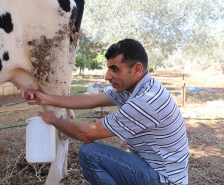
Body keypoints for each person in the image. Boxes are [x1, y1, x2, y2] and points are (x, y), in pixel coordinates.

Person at [23, 39, 189, 185]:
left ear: (137, 69)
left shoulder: (145, 101)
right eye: (108, 68)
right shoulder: (134, 88)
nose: (107, 76)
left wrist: (53, 120)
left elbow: (87, 134)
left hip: (164, 180)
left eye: (114, 69)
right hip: (154, 169)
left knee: (90, 153)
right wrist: (46, 99)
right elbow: (90, 100)